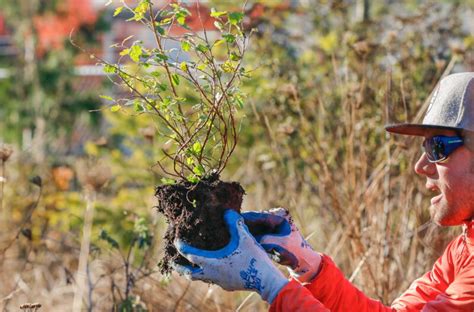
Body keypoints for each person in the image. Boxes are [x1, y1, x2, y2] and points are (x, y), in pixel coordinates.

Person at [172, 72, 474, 311]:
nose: (420, 165)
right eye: (424, 148)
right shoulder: (464, 249)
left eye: (437, 147)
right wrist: (308, 266)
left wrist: (271, 286)